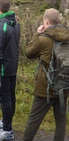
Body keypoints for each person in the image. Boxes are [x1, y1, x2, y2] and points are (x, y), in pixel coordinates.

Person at [23, 8, 68, 141]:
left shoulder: (43, 39)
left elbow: (28, 53)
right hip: (64, 85)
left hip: (45, 88)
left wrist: (37, 34)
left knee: (34, 120)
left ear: (46, 21)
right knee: (61, 120)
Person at [0, 0, 20, 141]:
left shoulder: (0, 27)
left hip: (2, 70)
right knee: (10, 97)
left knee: (5, 99)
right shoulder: (15, 24)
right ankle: (5, 122)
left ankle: (7, 130)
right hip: (12, 67)